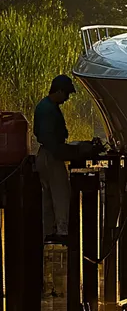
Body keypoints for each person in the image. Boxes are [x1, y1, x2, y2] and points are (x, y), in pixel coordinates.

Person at [33, 74, 89, 246]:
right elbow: (51, 139)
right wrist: (72, 152)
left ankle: (48, 232)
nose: (67, 99)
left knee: (48, 196)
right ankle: (62, 232)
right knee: (61, 193)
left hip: (43, 155)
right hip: (51, 156)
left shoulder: (45, 106)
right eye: (66, 94)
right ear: (59, 91)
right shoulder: (49, 110)